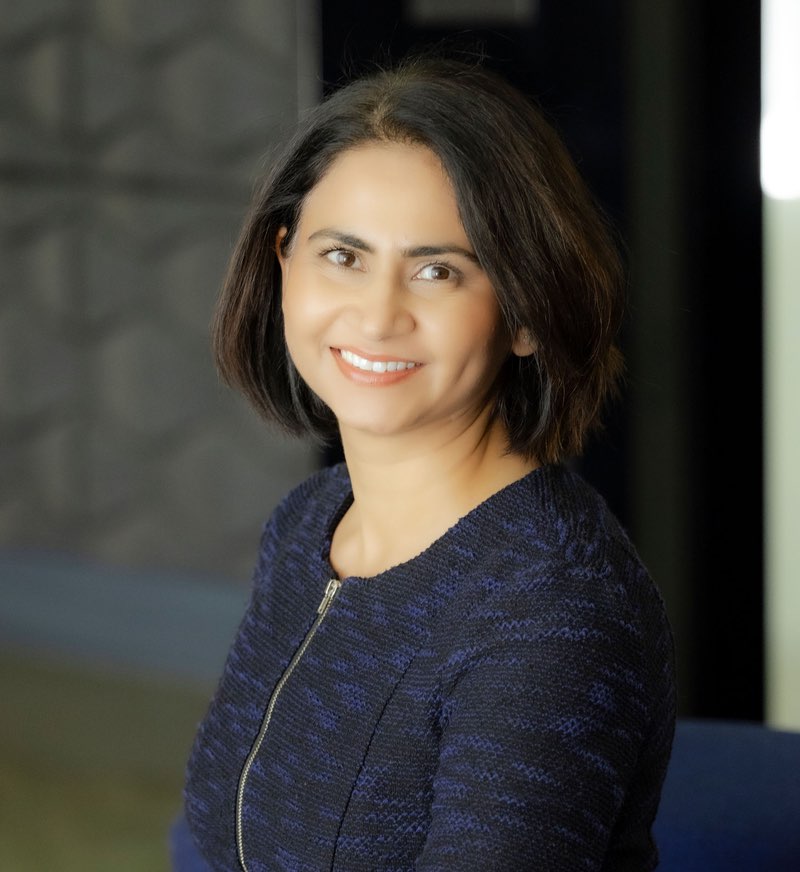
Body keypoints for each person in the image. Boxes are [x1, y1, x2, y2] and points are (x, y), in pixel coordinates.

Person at [175, 51, 676, 872]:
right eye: (344, 255)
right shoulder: (311, 524)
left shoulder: (550, 614)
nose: (378, 316)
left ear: (525, 312)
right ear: (282, 260)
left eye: (438, 271)